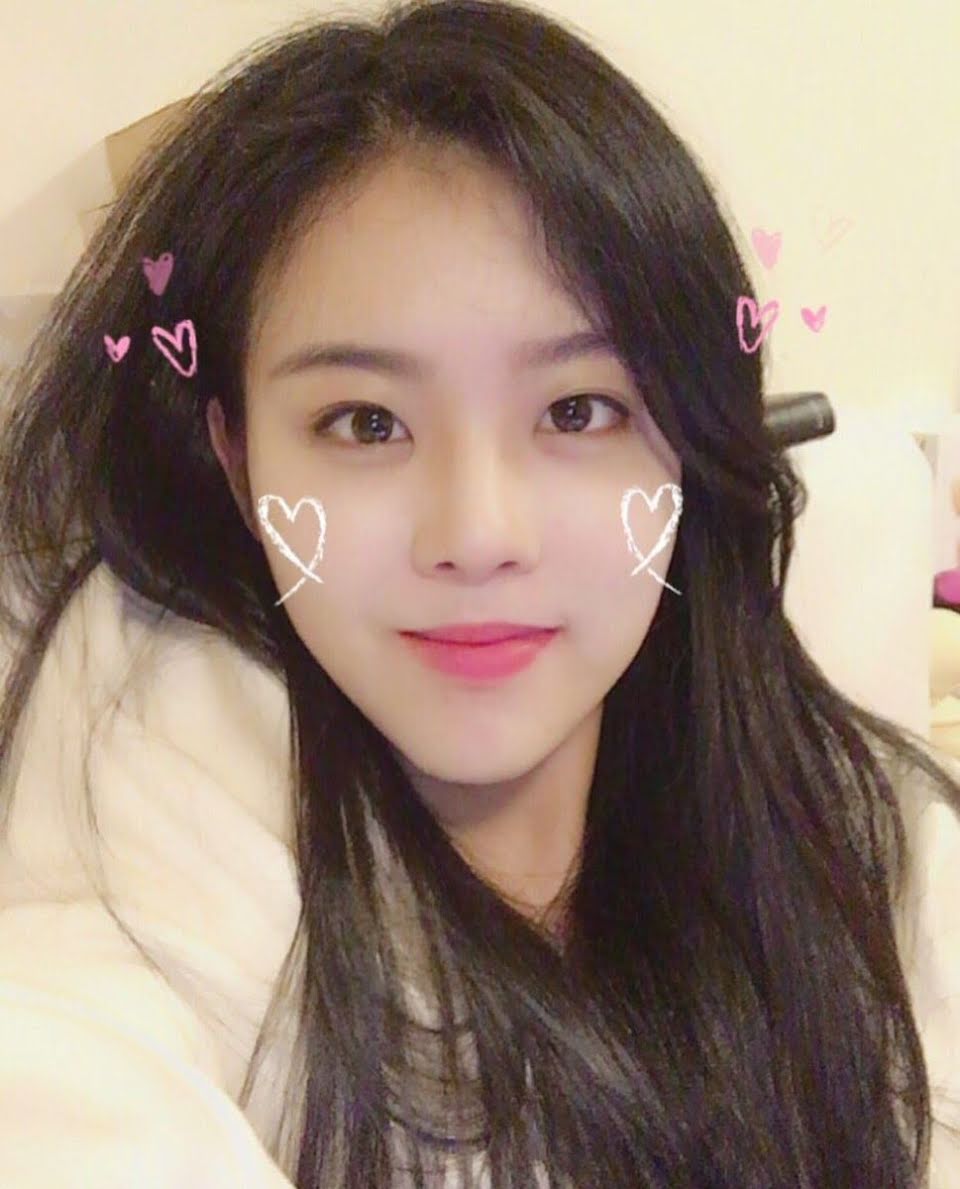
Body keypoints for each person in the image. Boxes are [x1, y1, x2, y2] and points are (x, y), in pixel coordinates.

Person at [0, 1, 957, 1185]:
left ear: (688, 441)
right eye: (365, 423)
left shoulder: (861, 844)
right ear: (239, 464)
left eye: (577, 410)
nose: (477, 535)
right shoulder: (154, 777)